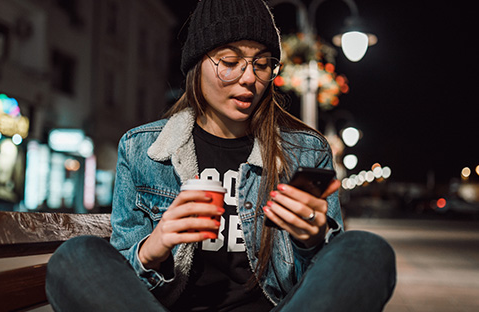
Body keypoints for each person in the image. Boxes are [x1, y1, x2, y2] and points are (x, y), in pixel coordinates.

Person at [45, 0, 396, 311]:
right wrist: (155, 245)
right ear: (197, 64)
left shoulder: (305, 151)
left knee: (366, 251)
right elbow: (120, 281)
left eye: (262, 64)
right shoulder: (142, 150)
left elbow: (319, 287)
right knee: (75, 257)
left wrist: (311, 241)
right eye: (230, 61)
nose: (249, 78)